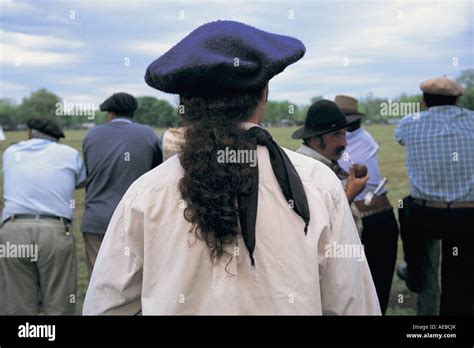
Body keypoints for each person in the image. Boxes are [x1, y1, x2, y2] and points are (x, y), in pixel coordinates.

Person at [83, 20, 380, 315]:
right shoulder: (320, 185)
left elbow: (106, 308)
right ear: (264, 93)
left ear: (185, 104)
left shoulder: (145, 195)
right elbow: (353, 305)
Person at [395, 76, 474, 315]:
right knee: (458, 279)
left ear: (424, 101)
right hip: (466, 215)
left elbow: (399, 139)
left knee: (405, 205)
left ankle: (416, 272)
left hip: (425, 214)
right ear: (457, 100)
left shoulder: (409, 123)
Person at [0, 118, 86, 315]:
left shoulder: (11, 153)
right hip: (54, 231)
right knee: (59, 300)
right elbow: (80, 181)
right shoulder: (70, 154)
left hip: (13, 230)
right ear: (56, 139)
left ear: (29, 133)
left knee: (17, 302)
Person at [81, 92, 162, 277]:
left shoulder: (91, 134)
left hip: (97, 219)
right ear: (133, 113)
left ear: (110, 114)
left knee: (99, 280)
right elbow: (156, 171)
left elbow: (88, 170)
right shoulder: (148, 134)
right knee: (137, 281)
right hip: (137, 218)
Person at [335, 95, 399, 315]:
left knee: (351, 289)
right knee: (377, 288)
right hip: (380, 213)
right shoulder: (366, 138)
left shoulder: (342, 142)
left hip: (356, 216)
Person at [292, 99, 369, 235]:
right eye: (337, 135)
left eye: (344, 134)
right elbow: (319, 227)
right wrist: (350, 194)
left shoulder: (325, 163)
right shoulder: (304, 171)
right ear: (315, 139)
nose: (344, 143)